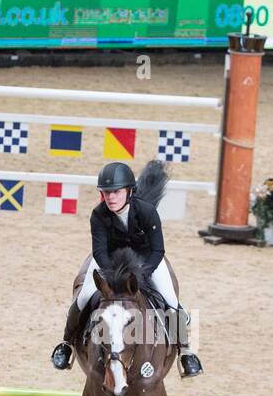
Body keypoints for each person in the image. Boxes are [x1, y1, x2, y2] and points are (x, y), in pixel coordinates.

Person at [51, 161, 203, 378]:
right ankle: (66, 344)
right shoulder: (98, 215)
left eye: (116, 192)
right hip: (110, 261)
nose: (111, 197)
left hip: (146, 260)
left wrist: (142, 273)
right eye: (106, 192)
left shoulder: (147, 211)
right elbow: (100, 252)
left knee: (171, 300)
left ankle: (186, 352)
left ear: (129, 191)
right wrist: (113, 276)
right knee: (83, 297)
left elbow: (158, 250)